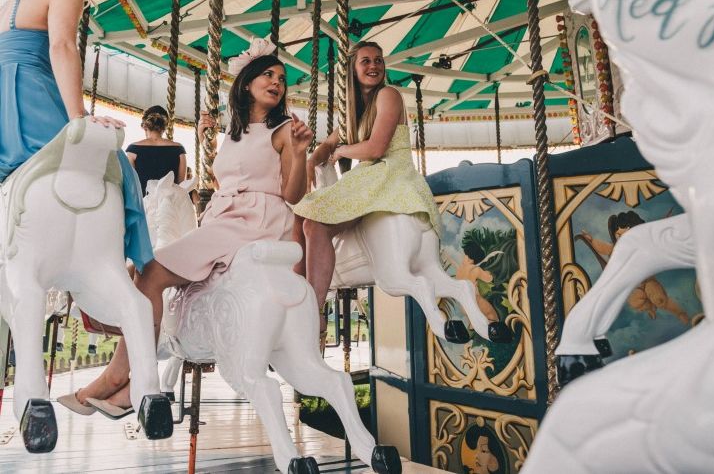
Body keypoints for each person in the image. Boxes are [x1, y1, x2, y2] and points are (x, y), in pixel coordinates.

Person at [73, 38, 313, 416]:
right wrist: (208, 142)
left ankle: (122, 379)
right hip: (225, 220)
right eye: (267, 74)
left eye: (281, 78)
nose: (276, 82)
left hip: (254, 222)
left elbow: (293, 194)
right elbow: (228, 183)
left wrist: (299, 154)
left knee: (149, 273)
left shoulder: (283, 129)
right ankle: (126, 380)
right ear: (247, 83)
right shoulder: (234, 134)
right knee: (142, 269)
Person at [0, 0, 156, 416]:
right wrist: (78, 121)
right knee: (115, 168)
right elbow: (62, 49)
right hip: (35, 101)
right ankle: (137, 263)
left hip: (7, 108)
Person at [293, 41, 441, 335]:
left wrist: (343, 152)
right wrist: (312, 161)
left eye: (378, 60)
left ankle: (313, 307)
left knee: (310, 220)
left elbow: (376, 147)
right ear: (353, 68)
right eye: (366, 61)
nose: (374, 66)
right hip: (370, 177)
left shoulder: (388, 95)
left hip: (387, 175)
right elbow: (328, 144)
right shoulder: (354, 112)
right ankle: (302, 300)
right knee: (303, 219)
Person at [126, 105, 186, 195]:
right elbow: (181, 186)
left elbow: (131, 186)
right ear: (165, 126)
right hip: (170, 205)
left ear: (144, 126)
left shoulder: (133, 150)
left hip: (143, 205)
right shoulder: (179, 150)